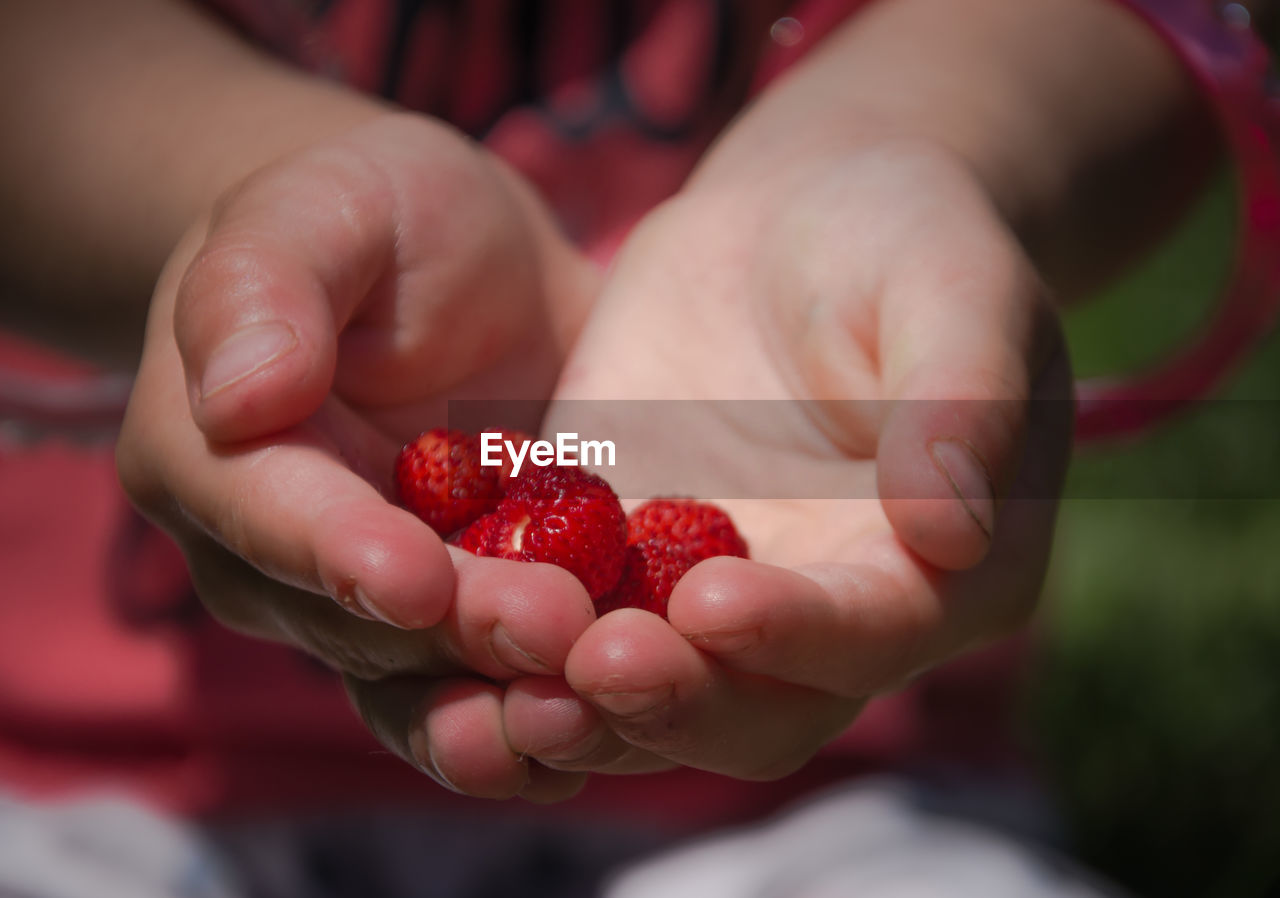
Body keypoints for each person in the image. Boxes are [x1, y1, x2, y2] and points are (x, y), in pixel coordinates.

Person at [0, 0, 1241, 888]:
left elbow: (1165, 25)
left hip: (822, 808)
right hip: (86, 785)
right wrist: (236, 201)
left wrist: (922, 140)